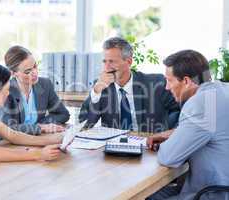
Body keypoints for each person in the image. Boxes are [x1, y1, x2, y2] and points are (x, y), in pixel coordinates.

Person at [147, 50, 229, 200]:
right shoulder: (222, 90)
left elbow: (168, 158)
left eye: (169, 80)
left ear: (186, 81)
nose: (166, 87)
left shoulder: (201, 104)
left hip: (211, 195)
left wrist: (172, 139)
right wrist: (174, 133)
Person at [79, 37, 180, 133]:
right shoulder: (101, 86)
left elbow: (178, 110)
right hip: (114, 146)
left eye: (112, 62)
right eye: (104, 61)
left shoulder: (156, 83)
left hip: (149, 144)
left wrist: (165, 132)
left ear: (129, 62)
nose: (107, 67)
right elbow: (84, 124)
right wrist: (96, 91)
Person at [0, 45, 70, 136]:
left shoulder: (45, 84)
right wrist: (40, 128)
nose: (34, 73)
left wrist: (42, 124)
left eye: (35, 66)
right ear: (13, 73)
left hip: (37, 137)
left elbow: (63, 114)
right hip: (12, 142)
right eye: (27, 71)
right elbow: (7, 127)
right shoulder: (6, 91)